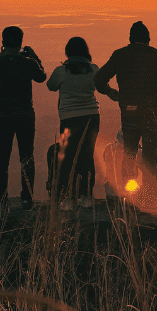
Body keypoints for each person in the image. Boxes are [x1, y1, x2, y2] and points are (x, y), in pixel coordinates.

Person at [93, 22, 157, 178]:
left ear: (130, 38)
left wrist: (112, 93)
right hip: (152, 111)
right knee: (149, 155)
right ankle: (148, 194)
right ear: (148, 39)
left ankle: (129, 193)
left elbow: (99, 79)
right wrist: (154, 88)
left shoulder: (120, 55)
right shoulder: (156, 55)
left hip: (129, 109)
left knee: (129, 153)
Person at [0, 26, 46, 204]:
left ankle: (1, 198)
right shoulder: (28, 63)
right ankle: (27, 197)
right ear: (21, 43)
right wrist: (33, 57)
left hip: (2, 118)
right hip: (25, 116)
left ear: (2, 43)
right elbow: (41, 77)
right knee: (27, 157)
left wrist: (1, 56)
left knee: (1, 159)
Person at [46, 37, 103, 208]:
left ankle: (68, 198)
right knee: (87, 155)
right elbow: (100, 86)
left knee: (68, 156)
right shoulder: (94, 70)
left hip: (69, 118)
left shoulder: (61, 71)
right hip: (92, 117)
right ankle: (86, 196)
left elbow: (50, 86)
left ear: (68, 53)